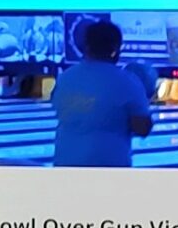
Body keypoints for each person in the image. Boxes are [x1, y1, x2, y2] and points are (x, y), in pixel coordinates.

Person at [50, 18, 152, 167]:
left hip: (64, 165)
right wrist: (147, 95)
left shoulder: (65, 78)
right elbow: (143, 128)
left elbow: (58, 108)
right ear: (115, 49)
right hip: (108, 168)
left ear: (86, 46)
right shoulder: (127, 81)